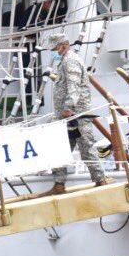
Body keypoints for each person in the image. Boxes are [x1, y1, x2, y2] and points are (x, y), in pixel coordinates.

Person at [47, 34, 107, 193]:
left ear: (63, 46)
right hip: (69, 116)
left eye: (54, 48)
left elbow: (74, 87)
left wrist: (68, 108)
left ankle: (101, 181)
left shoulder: (70, 61)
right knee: (60, 148)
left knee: (86, 148)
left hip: (75, 116)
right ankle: (59, 184)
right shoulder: (65, 61)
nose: (53, 52)